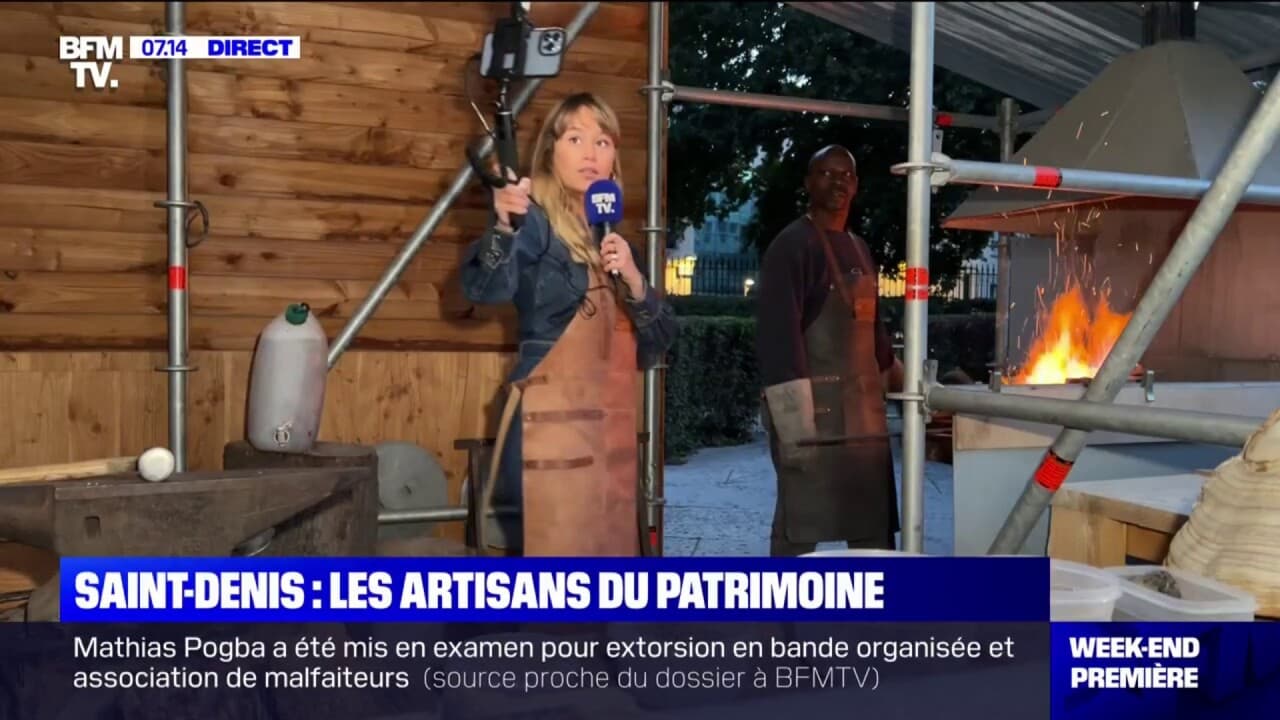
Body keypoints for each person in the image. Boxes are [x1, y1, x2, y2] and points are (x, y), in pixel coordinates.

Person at [460, 92, 678, 557]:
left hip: (607, 429)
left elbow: (658, 342)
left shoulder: (615, 239)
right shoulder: (533, 221)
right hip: (549, 426)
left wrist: (636, 283)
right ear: (550, 152)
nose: (590, 153)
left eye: (602, 141)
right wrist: (503, 227)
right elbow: (484, 290)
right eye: (575, 138)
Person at [755, 144, 905, 557]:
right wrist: (793, 427)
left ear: (856, 186)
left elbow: (876, 338)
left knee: (873, 528)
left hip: (863, 416)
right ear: (808, 183)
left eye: (846, 175)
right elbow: (778, 338)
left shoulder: (859, 248)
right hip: (811, 416)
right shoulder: (791, 247)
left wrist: (916, 389)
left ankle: (873, 615)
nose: (838, 182)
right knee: (800, 524)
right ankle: (786, 617)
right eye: (826, 173)